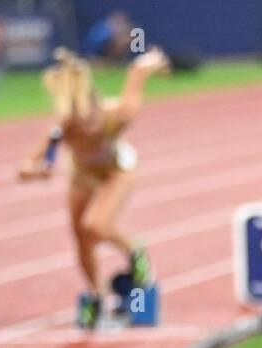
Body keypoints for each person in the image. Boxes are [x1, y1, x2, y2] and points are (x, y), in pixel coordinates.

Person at [18, 46, 169, 327]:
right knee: (81, 237)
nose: (87, 127)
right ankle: (95, 294)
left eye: (90, 119)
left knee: (97, 225)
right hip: (83, 177)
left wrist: (151, 62)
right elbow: (24, 169)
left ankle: (135, 250)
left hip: (117, 171)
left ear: (97, 104)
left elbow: (137, 73)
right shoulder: (62, 129)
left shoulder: (119, 115)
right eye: (80, 121)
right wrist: (37, 171)